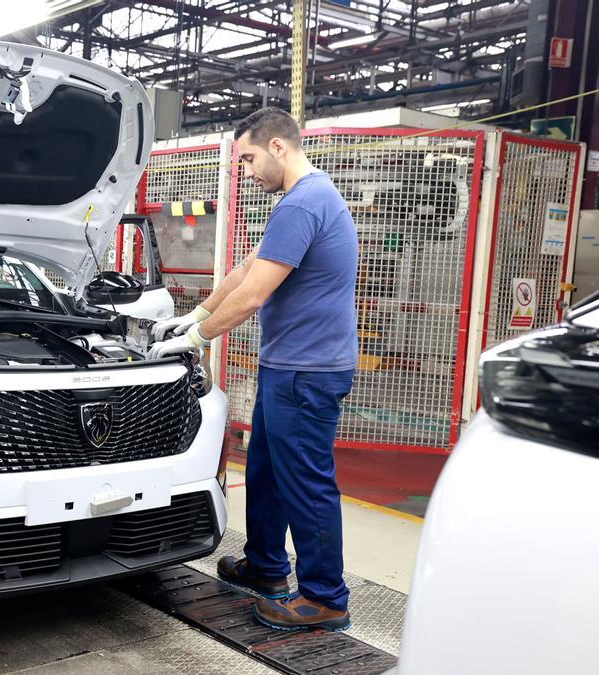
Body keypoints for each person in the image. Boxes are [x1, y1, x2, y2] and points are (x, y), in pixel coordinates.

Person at [147, 107, 359, 631]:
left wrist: (196, 339)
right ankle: (266, 566)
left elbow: (254, 296)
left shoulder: (304, 203)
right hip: (289, 365)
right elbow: (246, 271)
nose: (244, 170)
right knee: (265, 470)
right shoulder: (301, 200)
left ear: (278, 147)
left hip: (307, 371)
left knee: (305, 482)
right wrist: (195, 314)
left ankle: (325, 598)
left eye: (247, 158)